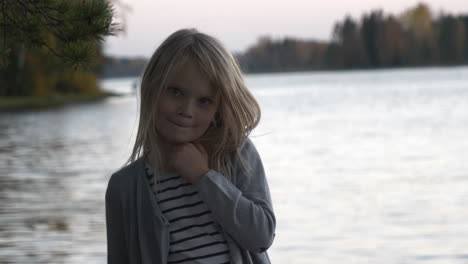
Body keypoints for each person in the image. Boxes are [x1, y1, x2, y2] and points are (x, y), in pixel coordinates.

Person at [105, 28, 276, 264]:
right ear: (153, 89)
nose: (187, 110)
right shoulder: (124, 187)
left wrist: (204, 177)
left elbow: (261, 236)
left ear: (218, 110)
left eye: (204, 101)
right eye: (175, 92)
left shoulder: (237, 154)